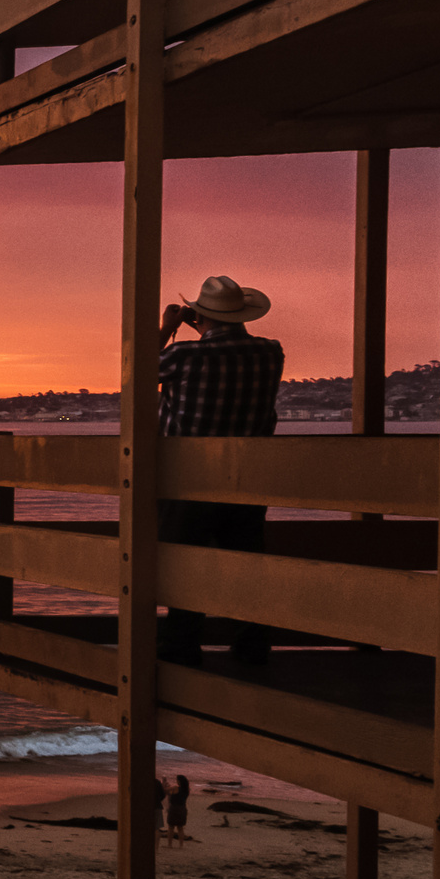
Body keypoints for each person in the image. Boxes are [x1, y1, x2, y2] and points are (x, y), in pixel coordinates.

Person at [155, 275, 282, 666]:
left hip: (187, 478)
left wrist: (167, 329)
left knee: (184, 567)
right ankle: (252, 647)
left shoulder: (184, 356)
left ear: (199, 314)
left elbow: (133, 372)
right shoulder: (270, 352)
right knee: (246, 568)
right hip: (246, 478)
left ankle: (180, 650)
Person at [165, 774, 192, 846]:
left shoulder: (175, 788)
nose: (176, 781)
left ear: (179, 781)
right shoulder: (187, 790)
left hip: (174, 808)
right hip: (182, 809)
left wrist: (165, 783)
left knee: (171, 827)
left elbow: (165, 791)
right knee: (180, 828)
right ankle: (181, 845)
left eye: (177, 780)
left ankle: (169, 845)